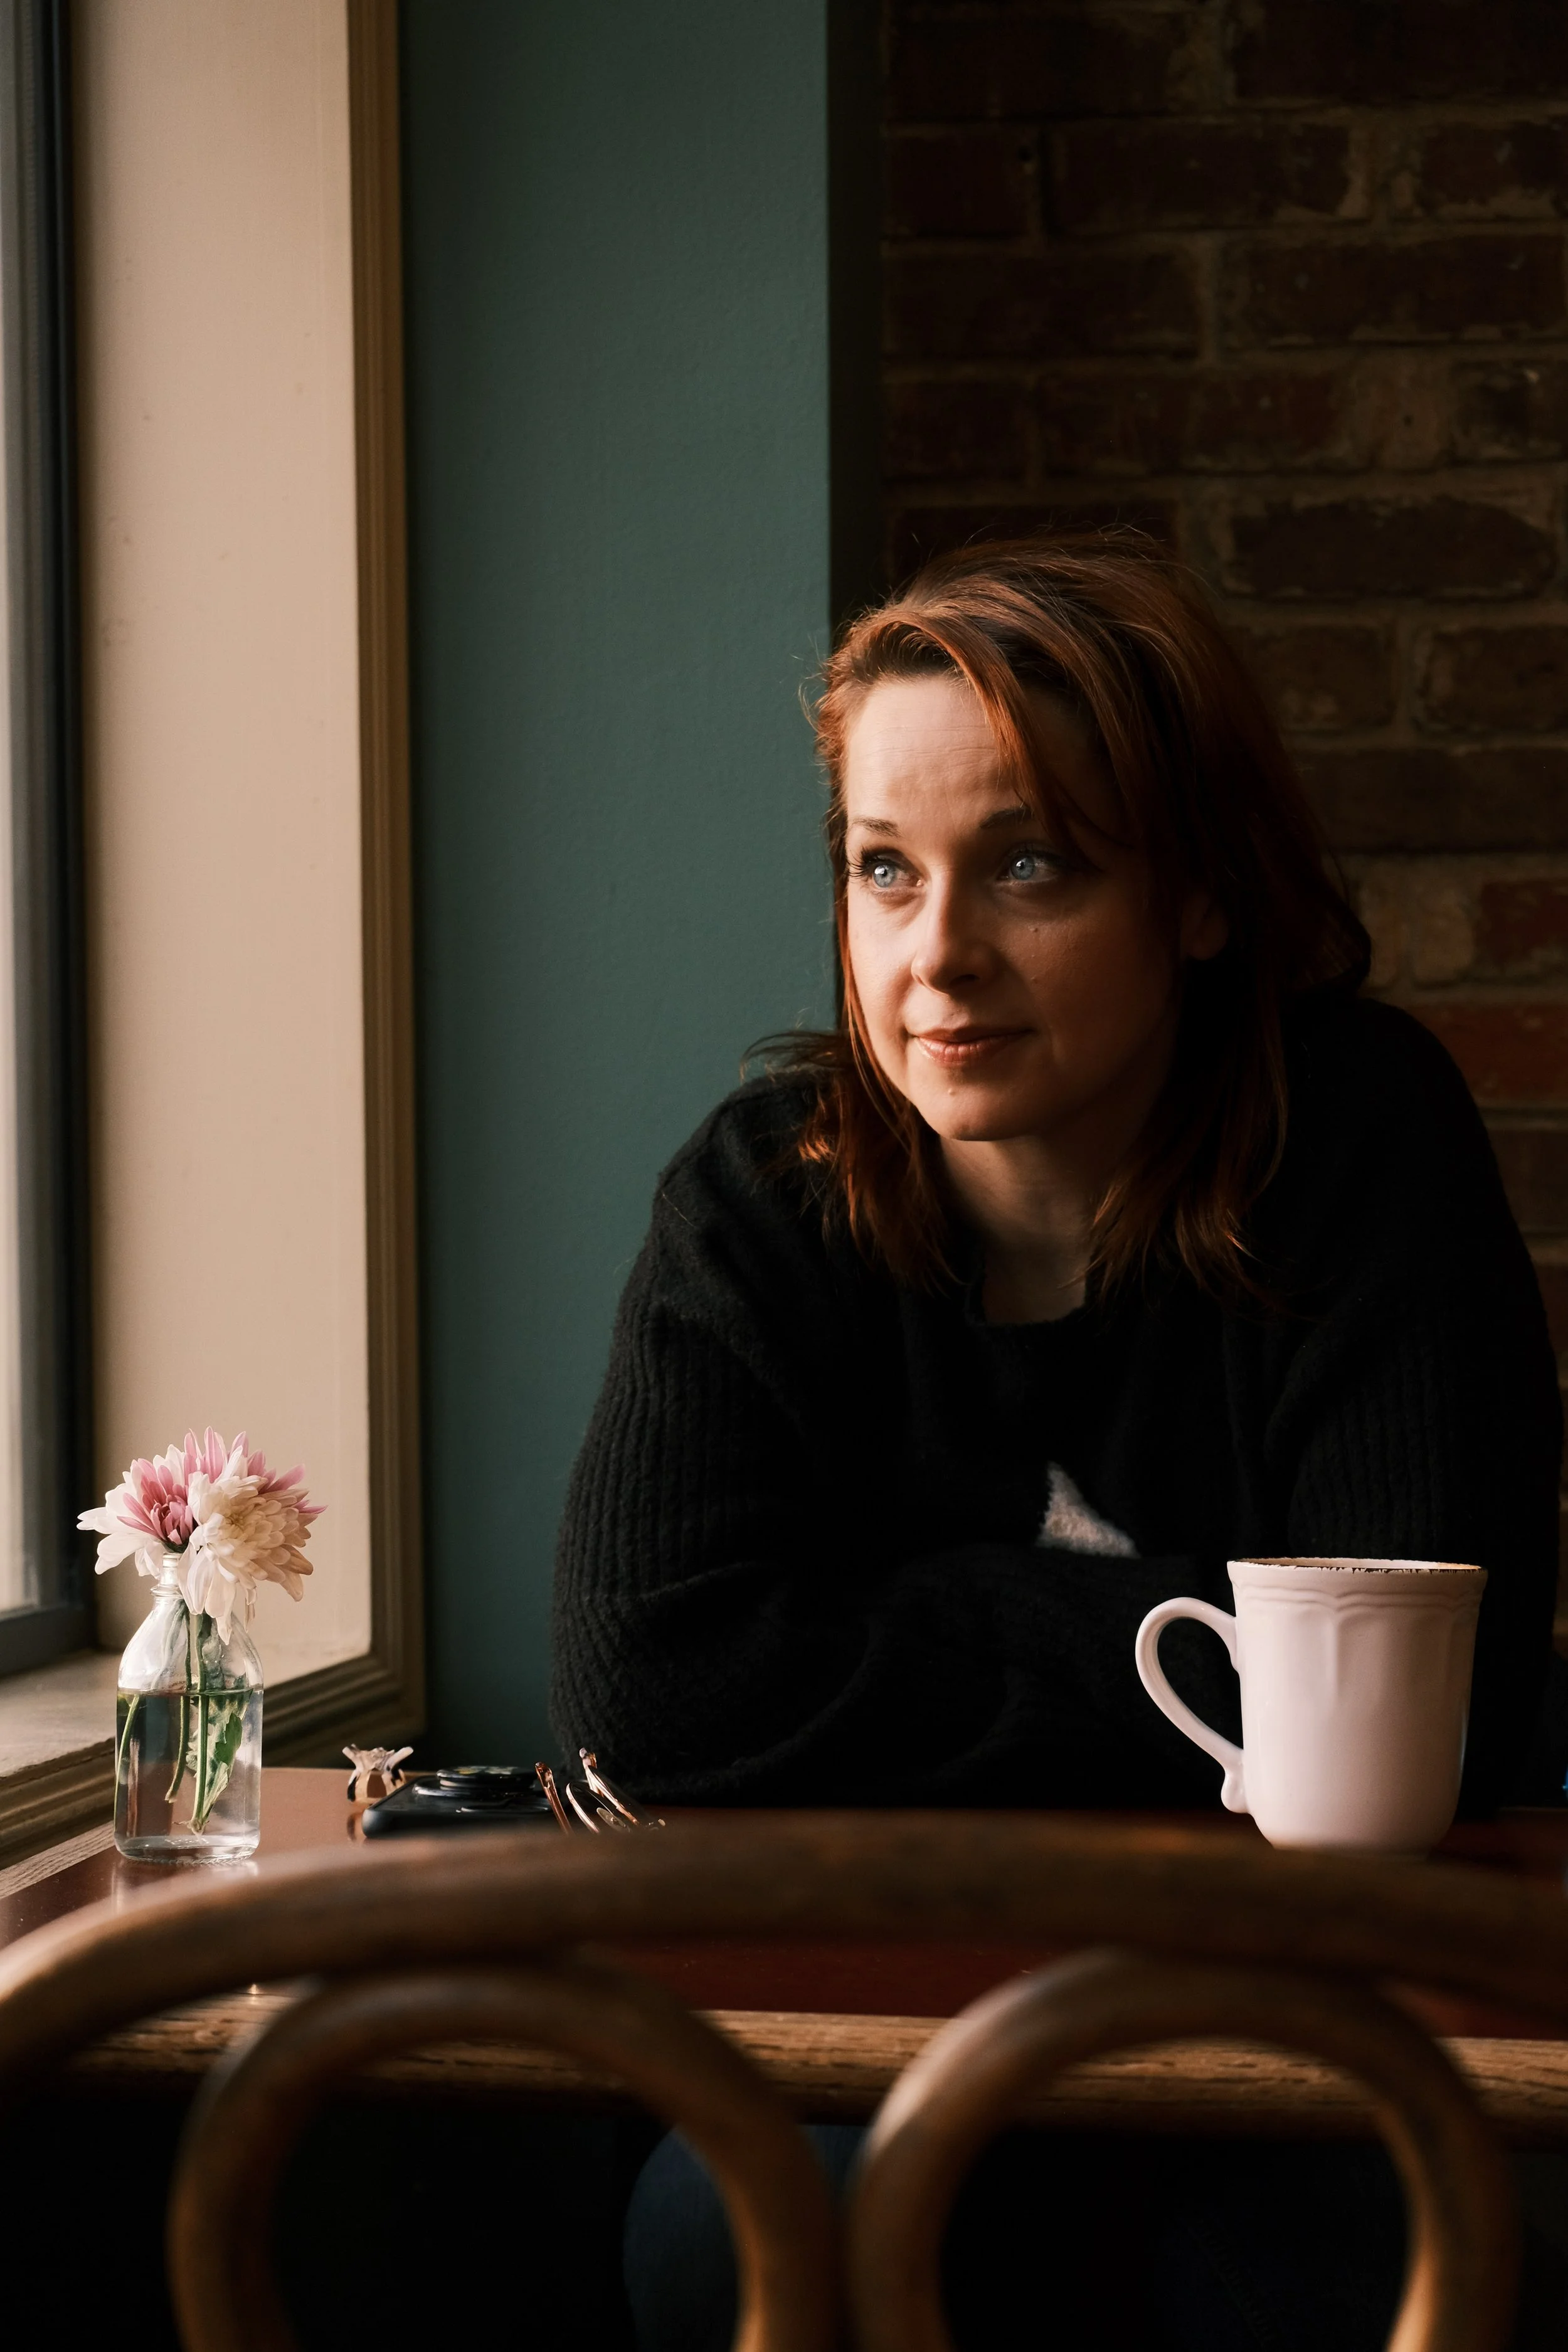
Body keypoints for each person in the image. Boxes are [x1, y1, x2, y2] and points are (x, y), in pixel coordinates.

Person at [549, 536, 1564, 2349]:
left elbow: (1416, 1710)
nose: (935, 956)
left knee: (1340, 2265)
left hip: (1318, 2026)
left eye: (1029, 865)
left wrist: (887, 1624)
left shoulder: (1357, 1138)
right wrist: (1184, 1635)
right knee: (734, 2234)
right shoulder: (762, 1195)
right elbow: (656, 1685)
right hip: (876, 2023)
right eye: (883, 868)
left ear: (1198, 893)